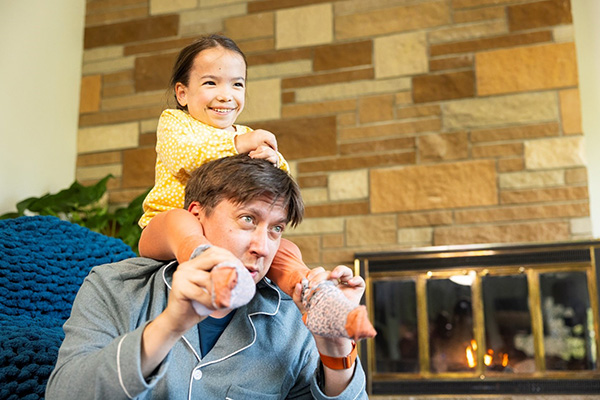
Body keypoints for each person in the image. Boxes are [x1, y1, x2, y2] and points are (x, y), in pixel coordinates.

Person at [46, 154, 368, 399]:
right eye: (247, 219)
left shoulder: (292, 321)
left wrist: (337, 351)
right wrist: (170, 325)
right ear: (197, 216)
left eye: (276, 229)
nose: (262, 247)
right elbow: (63, 393)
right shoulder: (115, 287)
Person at [137, 34, 375, 340]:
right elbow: (184, 156)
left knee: (283, 249)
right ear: (182, 92)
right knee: (179, 221)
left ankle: (315, 296)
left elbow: (280, 186)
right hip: (165, 231)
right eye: (211, 83)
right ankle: (209, 263)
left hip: (230, 235)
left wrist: (273, 161)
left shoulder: (246, 134)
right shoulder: (175, 123)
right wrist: (239, 144)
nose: (226, 95)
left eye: (237, 84)